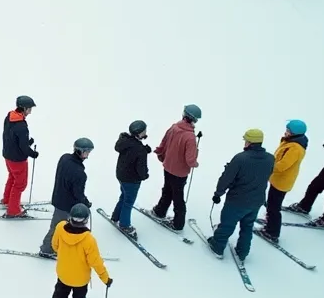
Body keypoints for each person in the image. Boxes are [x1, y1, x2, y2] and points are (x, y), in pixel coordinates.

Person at [208, 129, 276, 260]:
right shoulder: (270, 158)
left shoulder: (240, 158)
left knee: (227, 224)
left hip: (237, 200)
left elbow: (227, 178)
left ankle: (218, 245)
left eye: (246, 140)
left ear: (250, 142)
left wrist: (218, 193)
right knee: (247, 226)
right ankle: (243, 251)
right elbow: (266, 175)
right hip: (256, 201)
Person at [45, 204, 111, 298]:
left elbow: (55, 245)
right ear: (86, 220)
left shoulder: (60, 227)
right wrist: (105, 278)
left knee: (60, 292)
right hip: (80, 279)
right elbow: (96, 262)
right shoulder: (89, 240)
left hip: (63, 272)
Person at [151, 104, 201, 232]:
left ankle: (160, 211)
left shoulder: (174, 127)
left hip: (168, 166)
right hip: (180, 172)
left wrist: (160, 152)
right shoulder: (190, 137)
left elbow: (164, 142)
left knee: (167, 189)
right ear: (194, 120)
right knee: (178, 197)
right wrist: (195, 163)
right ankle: (178, 224)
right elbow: (190, 160)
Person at [39, 138, 94, 257]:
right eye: (87, 151)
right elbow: (78, 194)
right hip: (66, 205)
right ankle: (46, 249)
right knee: (56, 226)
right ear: (80, 151)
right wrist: (85, 203)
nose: (88, 154)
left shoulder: (65, 158)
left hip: (58, 197)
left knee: (63, 226)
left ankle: (60, 244)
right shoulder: (80, 173)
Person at [259, 120, 309, 243]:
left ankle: (272, 232)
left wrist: (267, 166)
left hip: (281, 181)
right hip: (277, 179)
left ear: (294, 133)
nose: (285, 132)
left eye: (288, 131)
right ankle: (270, 221)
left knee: (274, 207)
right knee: (271, 204)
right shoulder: (291, 142)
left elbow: (282, 165)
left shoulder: (295, 148)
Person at [109, 120, 150, 239]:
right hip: (132, 180)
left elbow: (131, 151)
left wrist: (144, 150)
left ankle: (116, 216)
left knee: (123, 196)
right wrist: (145, 175)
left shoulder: (125, 142)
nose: (146, 132)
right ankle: (125, 225)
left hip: (121, 176)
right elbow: (141, 169)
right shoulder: (140, 150)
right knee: (128, 201)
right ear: (140, 133)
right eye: (144, 131)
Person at [0, 95, 38, 218]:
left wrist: (27, 143)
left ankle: (7, 200)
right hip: (18, 160)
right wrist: (32, 153)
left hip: (8, 156)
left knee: (12, 177)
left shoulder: (9, 117)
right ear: (24, 108)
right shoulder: (21, 126)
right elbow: (23, 147)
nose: (31, 111)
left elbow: (11, 138)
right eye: (30, 109)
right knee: (20, 184)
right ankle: (13, 210)